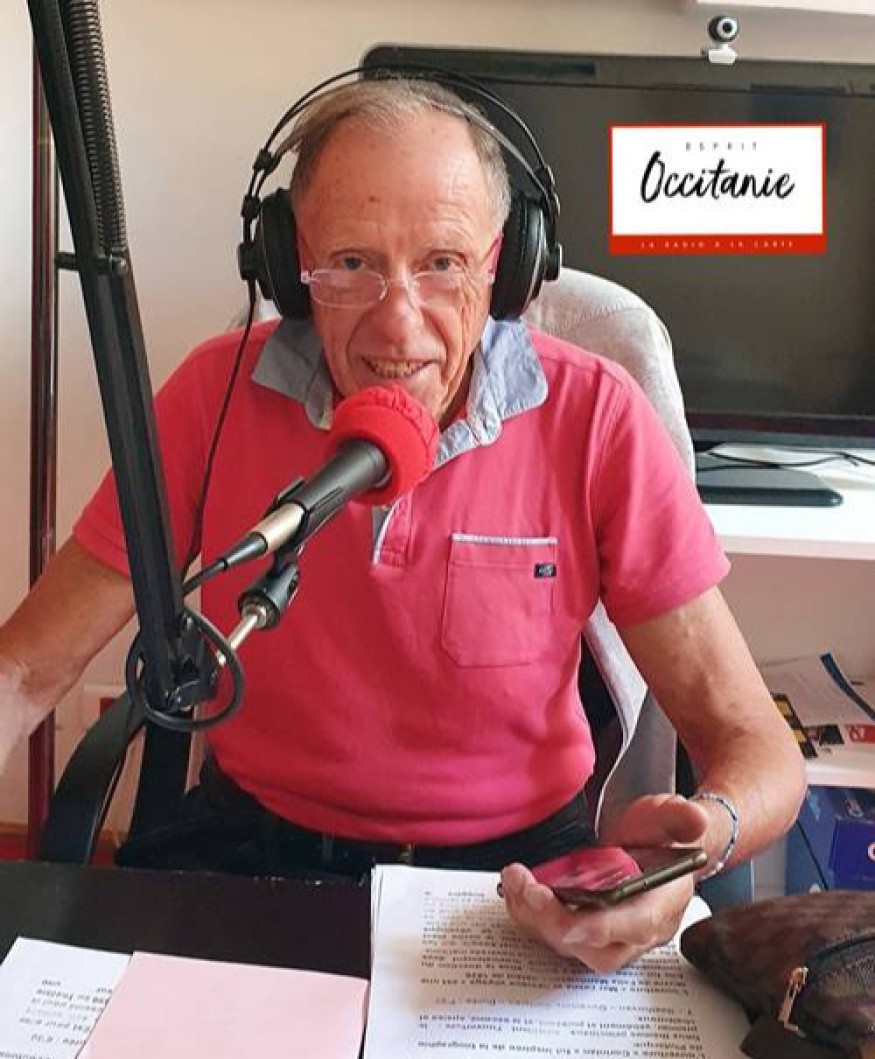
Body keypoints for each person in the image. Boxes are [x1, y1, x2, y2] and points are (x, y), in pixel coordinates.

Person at [0, 75, 805, 972]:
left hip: (517, 877)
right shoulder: (210, 400)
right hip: (251, 853)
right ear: (290, 265)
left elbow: (756, 748)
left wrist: (697, 843)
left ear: (504, 265)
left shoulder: (596, 418)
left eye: (442, 263)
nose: (397, 322)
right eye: (351, 263)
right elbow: (25, 670)